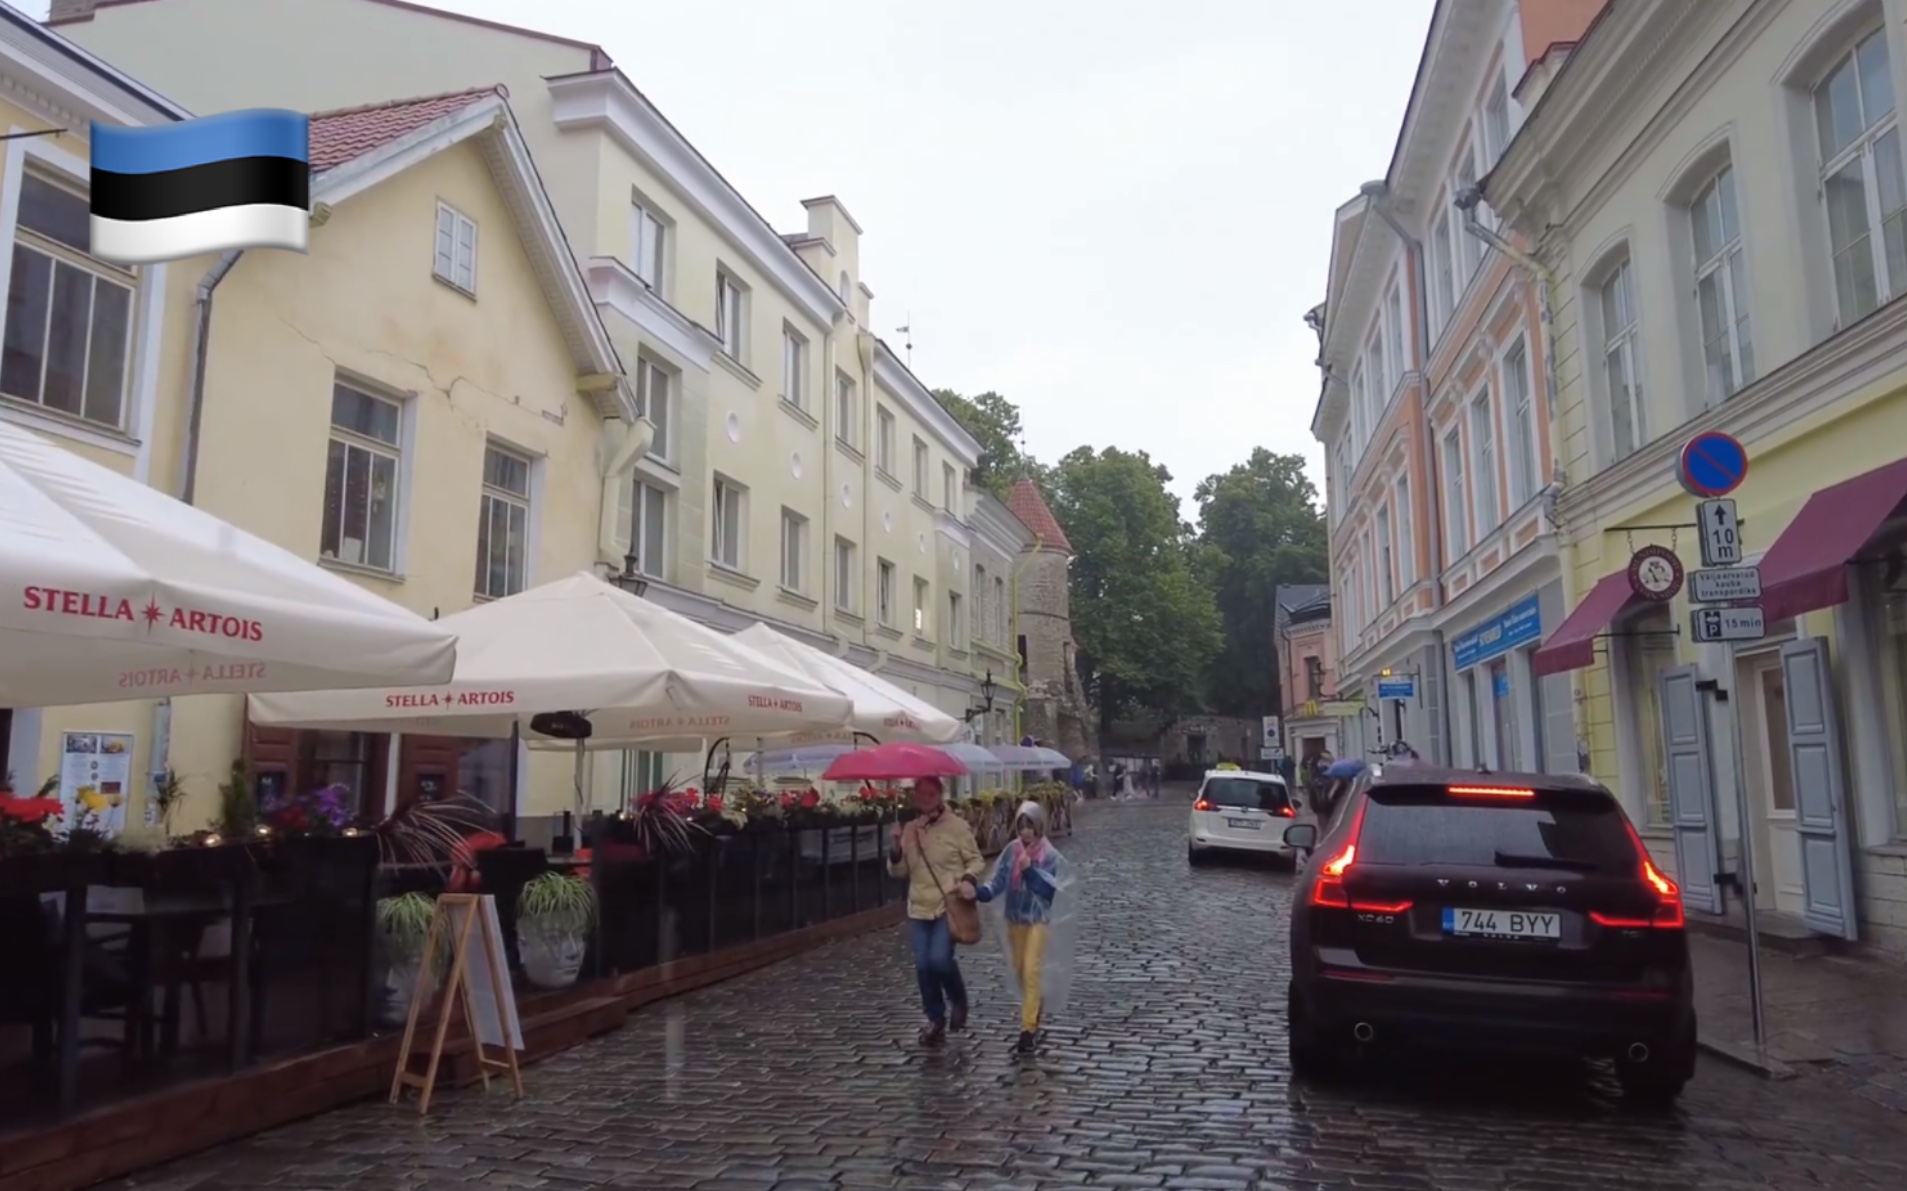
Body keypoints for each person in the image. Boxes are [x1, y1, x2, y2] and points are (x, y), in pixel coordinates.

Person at [887, 776, 986, 1046]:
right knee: (923, 966)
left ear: (939, 795)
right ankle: (935, 1017)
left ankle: (959, 1001)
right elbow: (899, 871)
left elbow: (976, 860)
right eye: (921, 794)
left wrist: (967, 879)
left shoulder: (957, 827)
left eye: (931, 793)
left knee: (939, 960)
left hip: (947, 903)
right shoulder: (909, 829)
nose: (926, 798)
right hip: (919, 905)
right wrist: (895, 849)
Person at [960, 800, 1065, 1054]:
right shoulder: (1012, 851)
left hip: (1038, 921)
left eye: (1030, 826)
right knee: (1020, 970)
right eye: (1021, 827)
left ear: (1039, 827)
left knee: (1030, 969)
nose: (1026, 833)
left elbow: (1048, 890)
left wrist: (1029, 871)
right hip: (1015, 919)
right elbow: (998, 881)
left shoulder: (1049, 856)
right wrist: (979, 893)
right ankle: (1034, 1002)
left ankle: (1027, 1029)